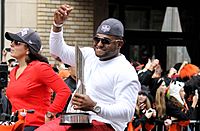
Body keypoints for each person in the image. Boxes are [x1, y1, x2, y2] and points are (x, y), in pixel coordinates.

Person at [36, 3, 141, 131]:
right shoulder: (87, 55)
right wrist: (57, 25)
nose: (99, 44)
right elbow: (58, 52)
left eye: (106, 41)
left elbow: (127, 112)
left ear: (119, 44)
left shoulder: (125, 71)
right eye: (97, 39)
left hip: (105, 124)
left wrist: (94, 106)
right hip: (75, 118)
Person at [4, 28, 71, 131]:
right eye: (12, 42)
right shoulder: (13, 71)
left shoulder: (40, 68)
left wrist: (50, 113)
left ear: (28, 49)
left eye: (17, 43)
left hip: (36, 126)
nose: (12, 45)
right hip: (16, 126)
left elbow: (64, 91)